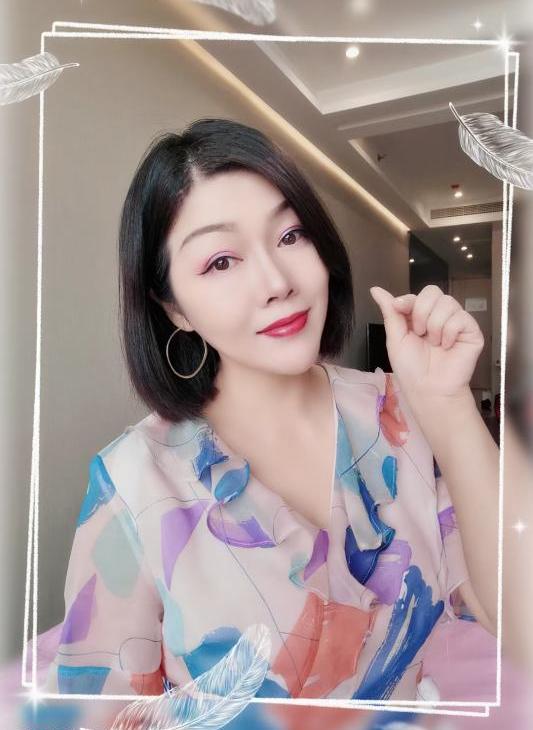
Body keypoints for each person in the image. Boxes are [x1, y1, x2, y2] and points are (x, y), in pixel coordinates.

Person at [43, 118, 499, 708]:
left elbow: (509, 613)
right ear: (173, 307)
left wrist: (452, 407)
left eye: (290, 235)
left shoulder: (399, 415)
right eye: (221, 262)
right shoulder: (134, 484)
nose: (277, 282)